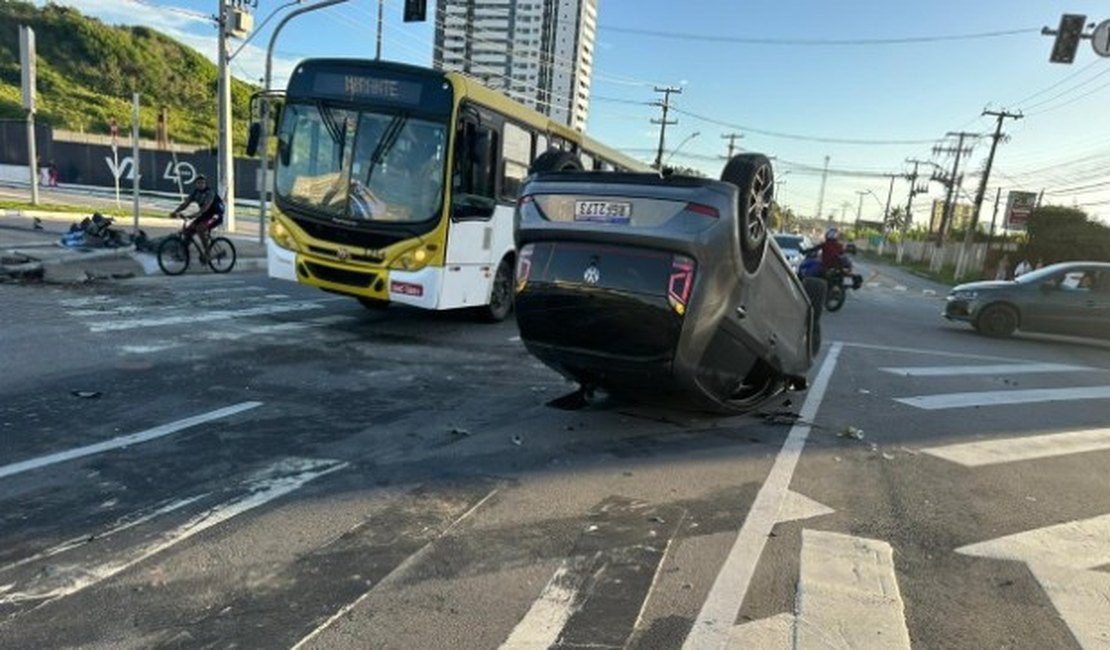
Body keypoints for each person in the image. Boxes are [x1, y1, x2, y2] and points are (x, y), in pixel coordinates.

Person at [171, 174, 224, 257]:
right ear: (195, 184)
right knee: (188, 231)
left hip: (215, 215)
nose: (201, 185)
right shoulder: (195, 193)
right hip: (205, 215)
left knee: (200, 229)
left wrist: (193, 215)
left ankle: (207, 253)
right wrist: (175, 212)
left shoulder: (210, 192)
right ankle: (184, 252)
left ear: (206, 184)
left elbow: (206, 207)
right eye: (199, 183)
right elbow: (185, 204)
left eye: (203, 183)